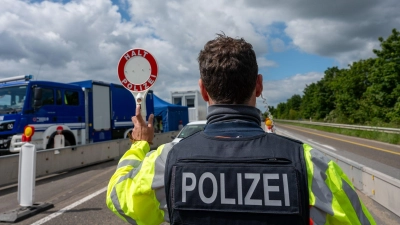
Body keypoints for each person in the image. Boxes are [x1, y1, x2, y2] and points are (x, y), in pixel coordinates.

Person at [106, 34, 376, 225]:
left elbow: (119, 199)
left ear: (203, 90)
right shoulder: (311, 165)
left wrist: (139, 144)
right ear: (258, 86)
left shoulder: (168, 162)